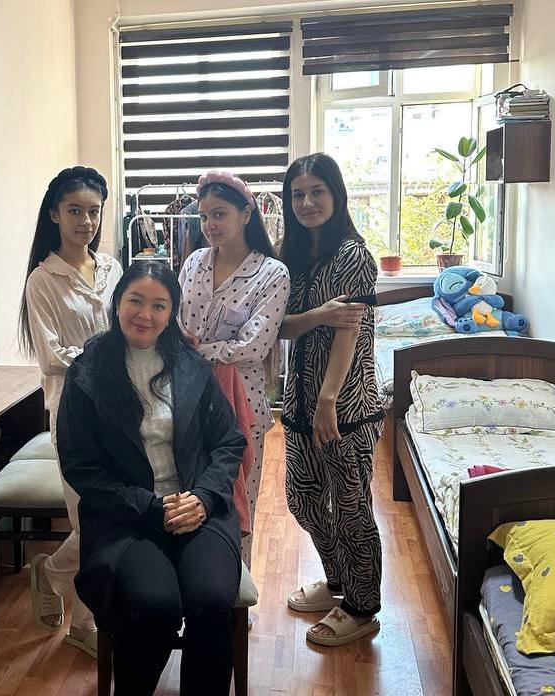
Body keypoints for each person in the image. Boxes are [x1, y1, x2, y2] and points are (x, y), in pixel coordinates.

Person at [57, 260, 245, 696]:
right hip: (125, 518)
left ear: (171, 312)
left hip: (198, 510)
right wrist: (150, 507)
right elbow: (82, 466)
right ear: (117, 303)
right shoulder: (87, 372)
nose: (145, 314)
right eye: (136, 301)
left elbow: (228, 442)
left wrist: (202, 497)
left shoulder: (192, 366)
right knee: (153, 605)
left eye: (159, 305)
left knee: (212, 602)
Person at [279, 153, 385, 646]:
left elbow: (349, 329)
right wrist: (318, 315)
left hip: (345, 407)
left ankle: (362, 608)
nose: (307, 202)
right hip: (299, 405)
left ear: (336, 195)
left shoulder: (352, 255)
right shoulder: (292, 257)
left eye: (316, 191)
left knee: (350, 508)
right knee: (302, 499)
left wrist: (328, 399)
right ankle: (338, 579)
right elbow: (280, 327)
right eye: (298, 194)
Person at [18, 165, 123, 657]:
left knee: (112, 516)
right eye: (75, 210)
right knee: (88, 522)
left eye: (94, 211)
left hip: (122, 413)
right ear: (55, 214)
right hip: (74, 416)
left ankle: (52, 574)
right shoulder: (43, 280)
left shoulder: (113, 269)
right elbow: (50, 357)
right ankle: (83, 623)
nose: (86, 221)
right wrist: (105, 360)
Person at [177, 171, 291, 565]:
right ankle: (194, 581)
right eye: (204, 216)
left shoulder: (272, 273)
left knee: (239, 501)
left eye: (219, 214)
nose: (210, 224)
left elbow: (254, 346)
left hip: (242, 403)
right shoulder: (194, 263)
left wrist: (196, 350)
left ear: (245, 215)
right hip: (186, 400)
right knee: (188, 495)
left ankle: (235, 587)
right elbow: (176, 322)